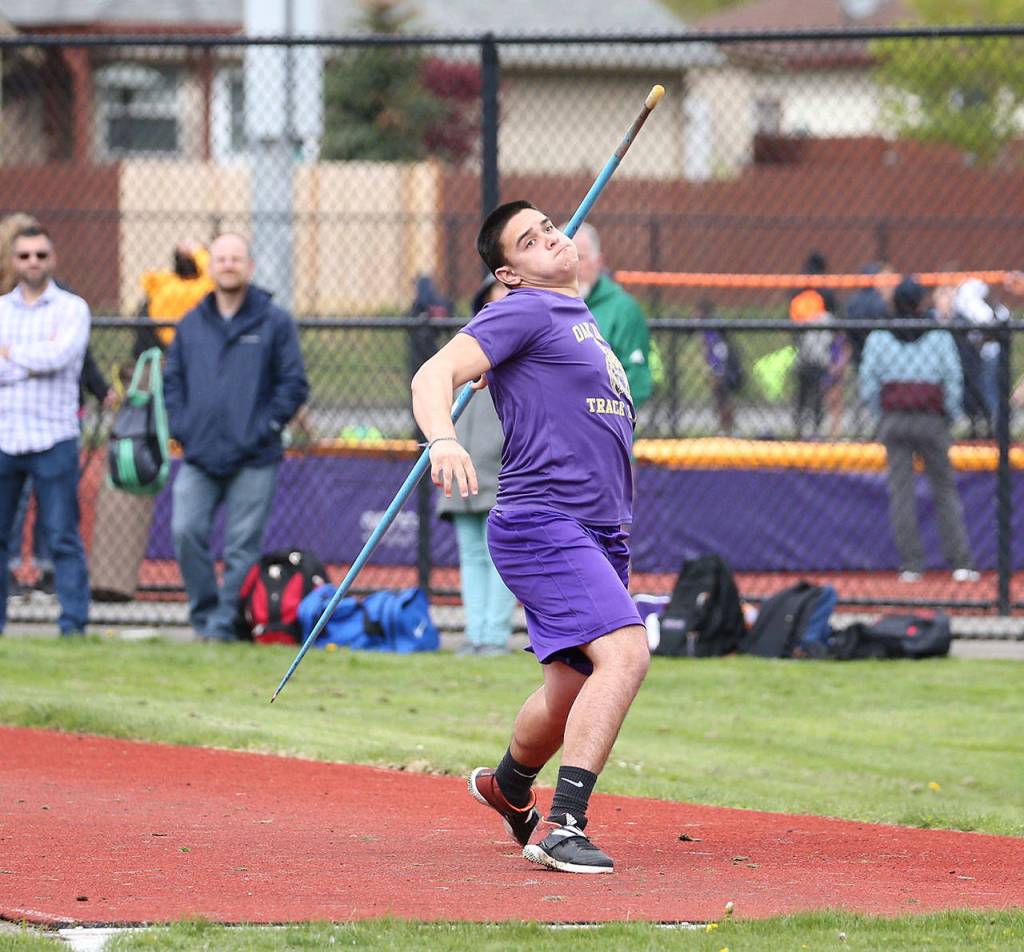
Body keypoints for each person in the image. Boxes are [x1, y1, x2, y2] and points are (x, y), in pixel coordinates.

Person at [411, 201, 650, 875]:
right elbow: (433, 375)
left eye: (548, 228)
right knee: (626, 655)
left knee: (572, 687)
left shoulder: (579, 320)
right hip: (545, 521)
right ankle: (565, 825)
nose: (550, 238)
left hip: (598, 531)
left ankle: (510, 785)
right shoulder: (524, 310)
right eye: (529, 240)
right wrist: (443, 439)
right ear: (510, 274)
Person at [163, 233, 309, 642]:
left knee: (242, 546)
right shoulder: (192, 323)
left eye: (236, 258)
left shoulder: (274, 321)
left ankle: (225, 625)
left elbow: (293, 384)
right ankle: (204, 617)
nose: (228, 265)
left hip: (255, 456)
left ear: (250, 267)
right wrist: (183, 427)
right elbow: (172, 381)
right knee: (185, 532)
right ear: (210, 267)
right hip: (199, 453)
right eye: (221, 258)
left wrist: (264, 427)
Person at [0, 225, 91, 636]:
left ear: (52, 258)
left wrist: (11, 354)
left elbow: (62, 356)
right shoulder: (2, 309)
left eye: (40, 254)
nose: (33, 262)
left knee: (62, 536)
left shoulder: (72, 308)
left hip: (54, 437)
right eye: (24, 256)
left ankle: (73, 626)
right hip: (5, 436)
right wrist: (35, 359)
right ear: (13, 261)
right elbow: (48, 357)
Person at [858, 276, 979, 584]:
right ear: (921, 303)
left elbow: (868, 382)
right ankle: (961, 562)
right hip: (931, 418)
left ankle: (911, 565)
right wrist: (950, 414)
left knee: (901, 493)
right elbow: (952, 377)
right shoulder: (937, 335)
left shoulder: (880, 336)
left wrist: (879, 414)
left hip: (895, 417)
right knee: (945, 490)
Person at [436, 276, 518, 657]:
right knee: (470, 553)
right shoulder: (462, 345)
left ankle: (495, 635)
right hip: (461, 468)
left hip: (501, 468)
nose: (498, 299)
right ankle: (475, 632)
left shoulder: (521, 348)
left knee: (498, 554)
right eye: (491, 294)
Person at [571, 222, 653, 411]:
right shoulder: (545, 308)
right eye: (564, 257)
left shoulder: (623, 309)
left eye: (579, 258)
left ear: (598, 262)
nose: (572, 266)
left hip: (604, 428)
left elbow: (637, 381)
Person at [790, 252, 843, 439]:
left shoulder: (798, 287)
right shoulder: (823, 290)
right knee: (817, 392)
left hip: (802, 345)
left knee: (803, 392)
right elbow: (834, 320)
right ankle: (815, 430)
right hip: (821, 345)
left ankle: (799, 429)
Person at [695, 298, 743, 435]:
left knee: (724, 400)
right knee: (720, 401)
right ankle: (726, 429)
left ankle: (728, 430)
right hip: (718, 368)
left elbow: (718, 351)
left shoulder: (712, 330)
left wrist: (717, 372)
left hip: (722, 370)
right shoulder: (706, 330)